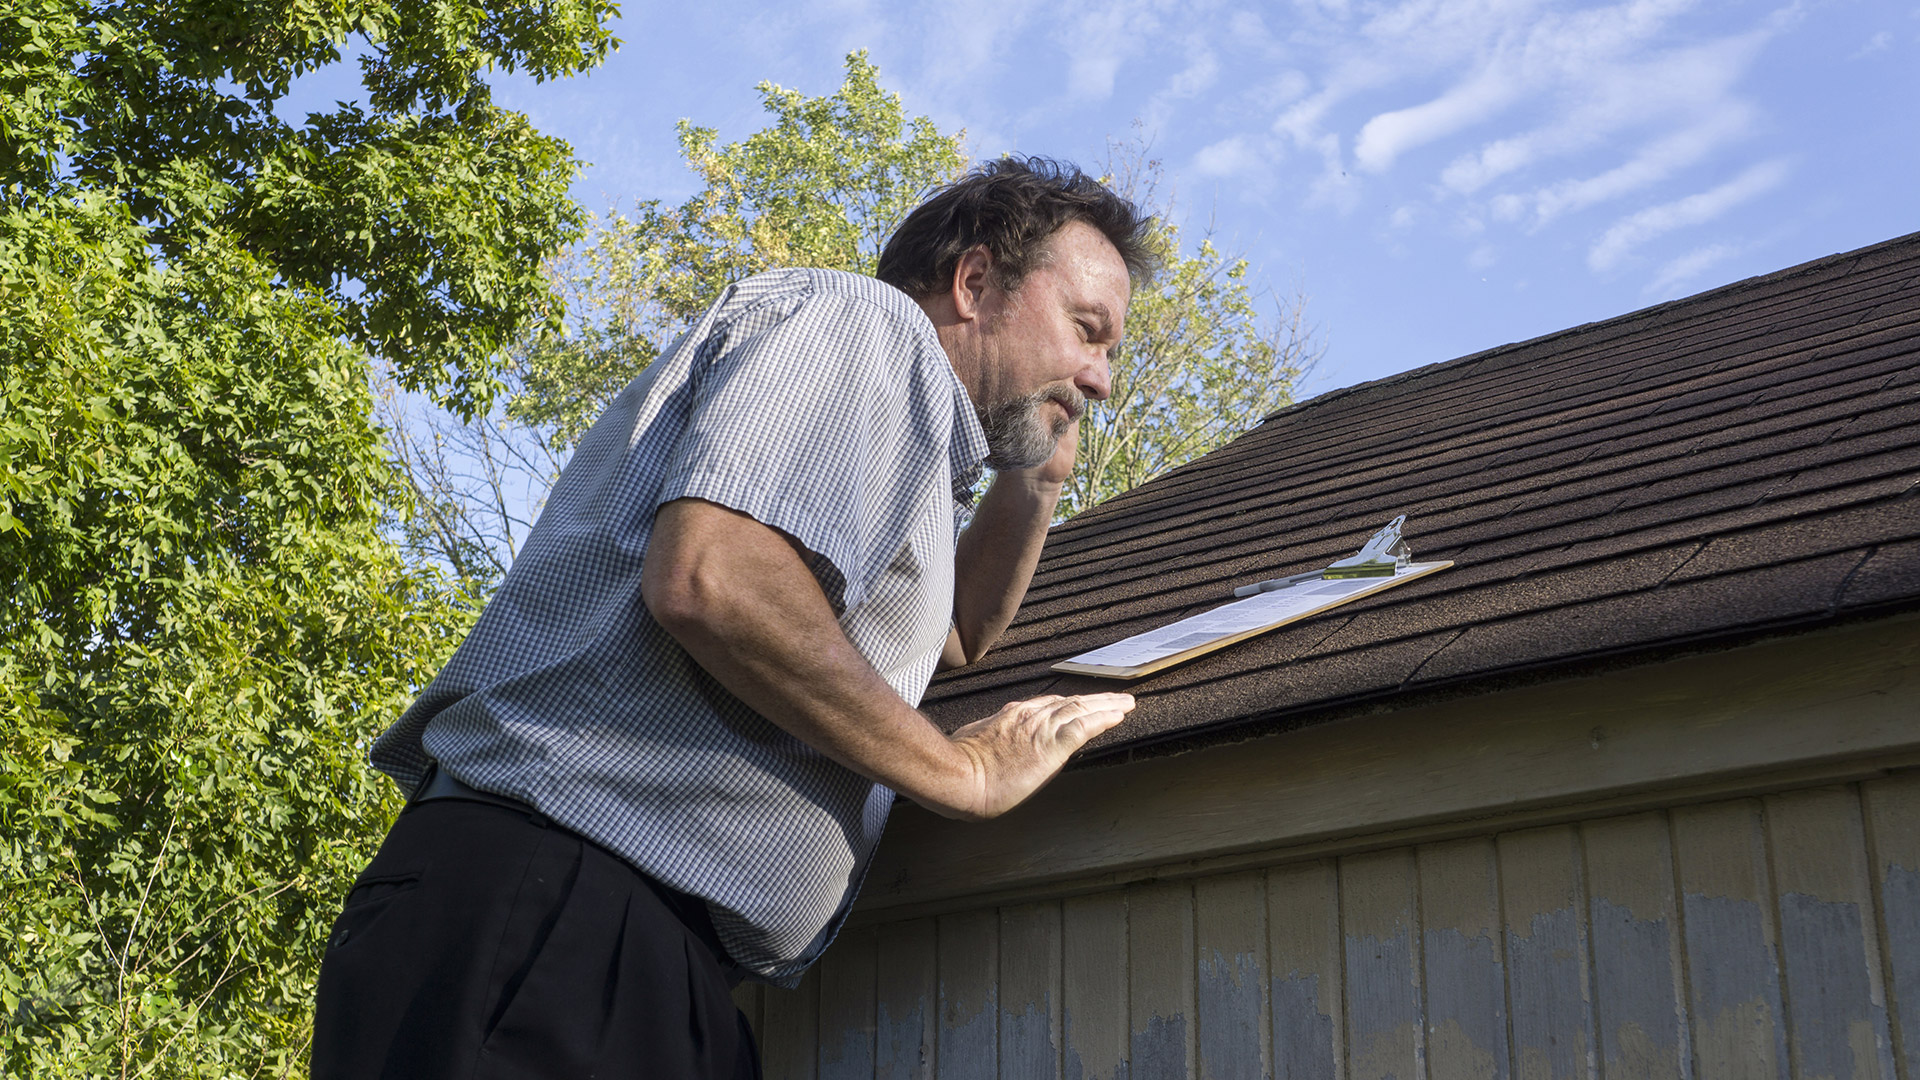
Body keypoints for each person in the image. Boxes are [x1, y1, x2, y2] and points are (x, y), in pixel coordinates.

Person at [310, 157, 1151, 1079]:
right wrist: (961, 773)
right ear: (975, 281)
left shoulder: (901, 441)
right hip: (558, 914)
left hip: (634, 948)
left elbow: (947, 639)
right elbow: (717, 580)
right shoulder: (863, 326)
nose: (1101, 377)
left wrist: (1036, 482)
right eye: (1087, 331)